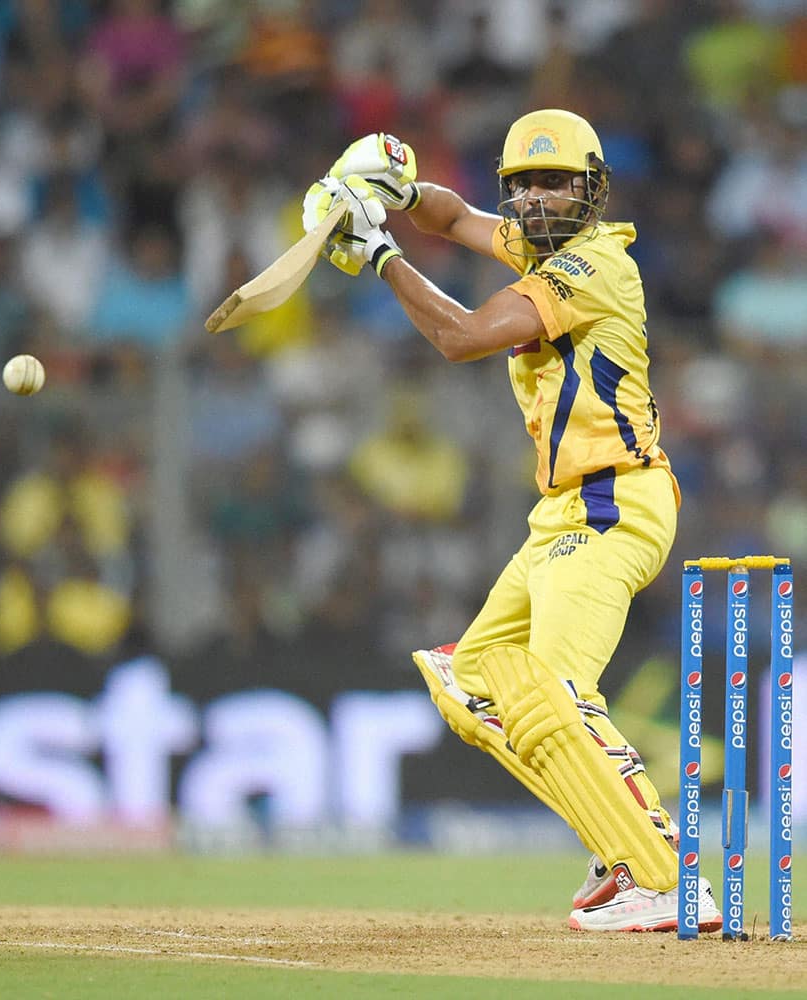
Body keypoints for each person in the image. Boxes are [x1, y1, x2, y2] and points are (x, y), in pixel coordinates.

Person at [302, 111, 722, 933]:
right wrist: (391, 187)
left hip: (613, 500)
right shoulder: (539, 246)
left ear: (592, 189)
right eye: (523, 185)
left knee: (557, 695)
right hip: (564, 509)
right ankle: (617, 842)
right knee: (474, 679)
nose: (535, 200)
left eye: (554, 182)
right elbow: (453, 218)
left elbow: (462, 337)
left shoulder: (592, 266)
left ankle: (667, 878)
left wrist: (380, 253)